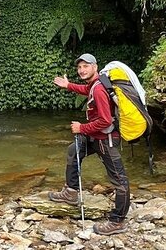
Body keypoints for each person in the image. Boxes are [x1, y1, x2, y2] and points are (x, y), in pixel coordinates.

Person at [49, 53, 130, 236]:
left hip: (105, 140)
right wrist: (68, 85)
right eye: (79, 67)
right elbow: (86, 90)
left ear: (95, 67)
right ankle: (71, 192)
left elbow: (105, 121)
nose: (81, 70)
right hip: (94, 137)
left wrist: (81, 127)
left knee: (119, 180)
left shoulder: (100, 89)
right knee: (73, 150)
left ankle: (118, 221)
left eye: (86, 66)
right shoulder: (95, 84)